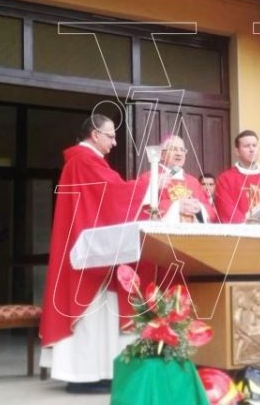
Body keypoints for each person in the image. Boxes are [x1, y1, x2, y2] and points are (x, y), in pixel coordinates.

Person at [39, 114, 148, 394]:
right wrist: (150, 180)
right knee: (88, 315)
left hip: (93, 247)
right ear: (94, 134)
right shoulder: (83, 160)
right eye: (110, 136)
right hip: (86, 252)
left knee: (100, 315)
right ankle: (80, 376)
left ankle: (97, 373)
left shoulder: (88, 161)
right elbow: (114, 194)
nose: (114, 142)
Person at [137, 135, 215, 223]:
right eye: (173, 149)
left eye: (182, 150)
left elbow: (210, 211)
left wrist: (199, 208)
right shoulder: (150, 177)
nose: (179, 153)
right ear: (162, 155)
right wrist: (177, 206)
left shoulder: (193, 182)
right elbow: (141, 209)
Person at [215, 130, 260, 223]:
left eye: (254, 145)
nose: (252, 149)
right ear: (237, 151)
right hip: (241, 234)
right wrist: (248, 225)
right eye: (247, 146)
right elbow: (225, 209)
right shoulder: (225, 179)